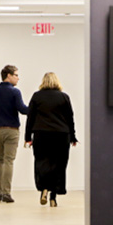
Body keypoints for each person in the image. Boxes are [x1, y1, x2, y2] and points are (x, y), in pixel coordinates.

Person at [24, 72, 77, 207]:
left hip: (41, 134)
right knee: (59, 165)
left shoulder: (37, 96)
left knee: (42, 162)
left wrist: (27, 137)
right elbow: (70, 118)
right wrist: (73, 136)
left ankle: (44, 189)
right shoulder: (64, 97)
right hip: (61, 134)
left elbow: (30, 118)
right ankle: (53, 197)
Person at [0, 64, 28, 203]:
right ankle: (6, 193)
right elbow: (23, 109)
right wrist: (36, 107)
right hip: (11, 130)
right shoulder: (15, 92)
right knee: (8, 161)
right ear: (8, 75)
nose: (18, 78)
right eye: (16, 75)